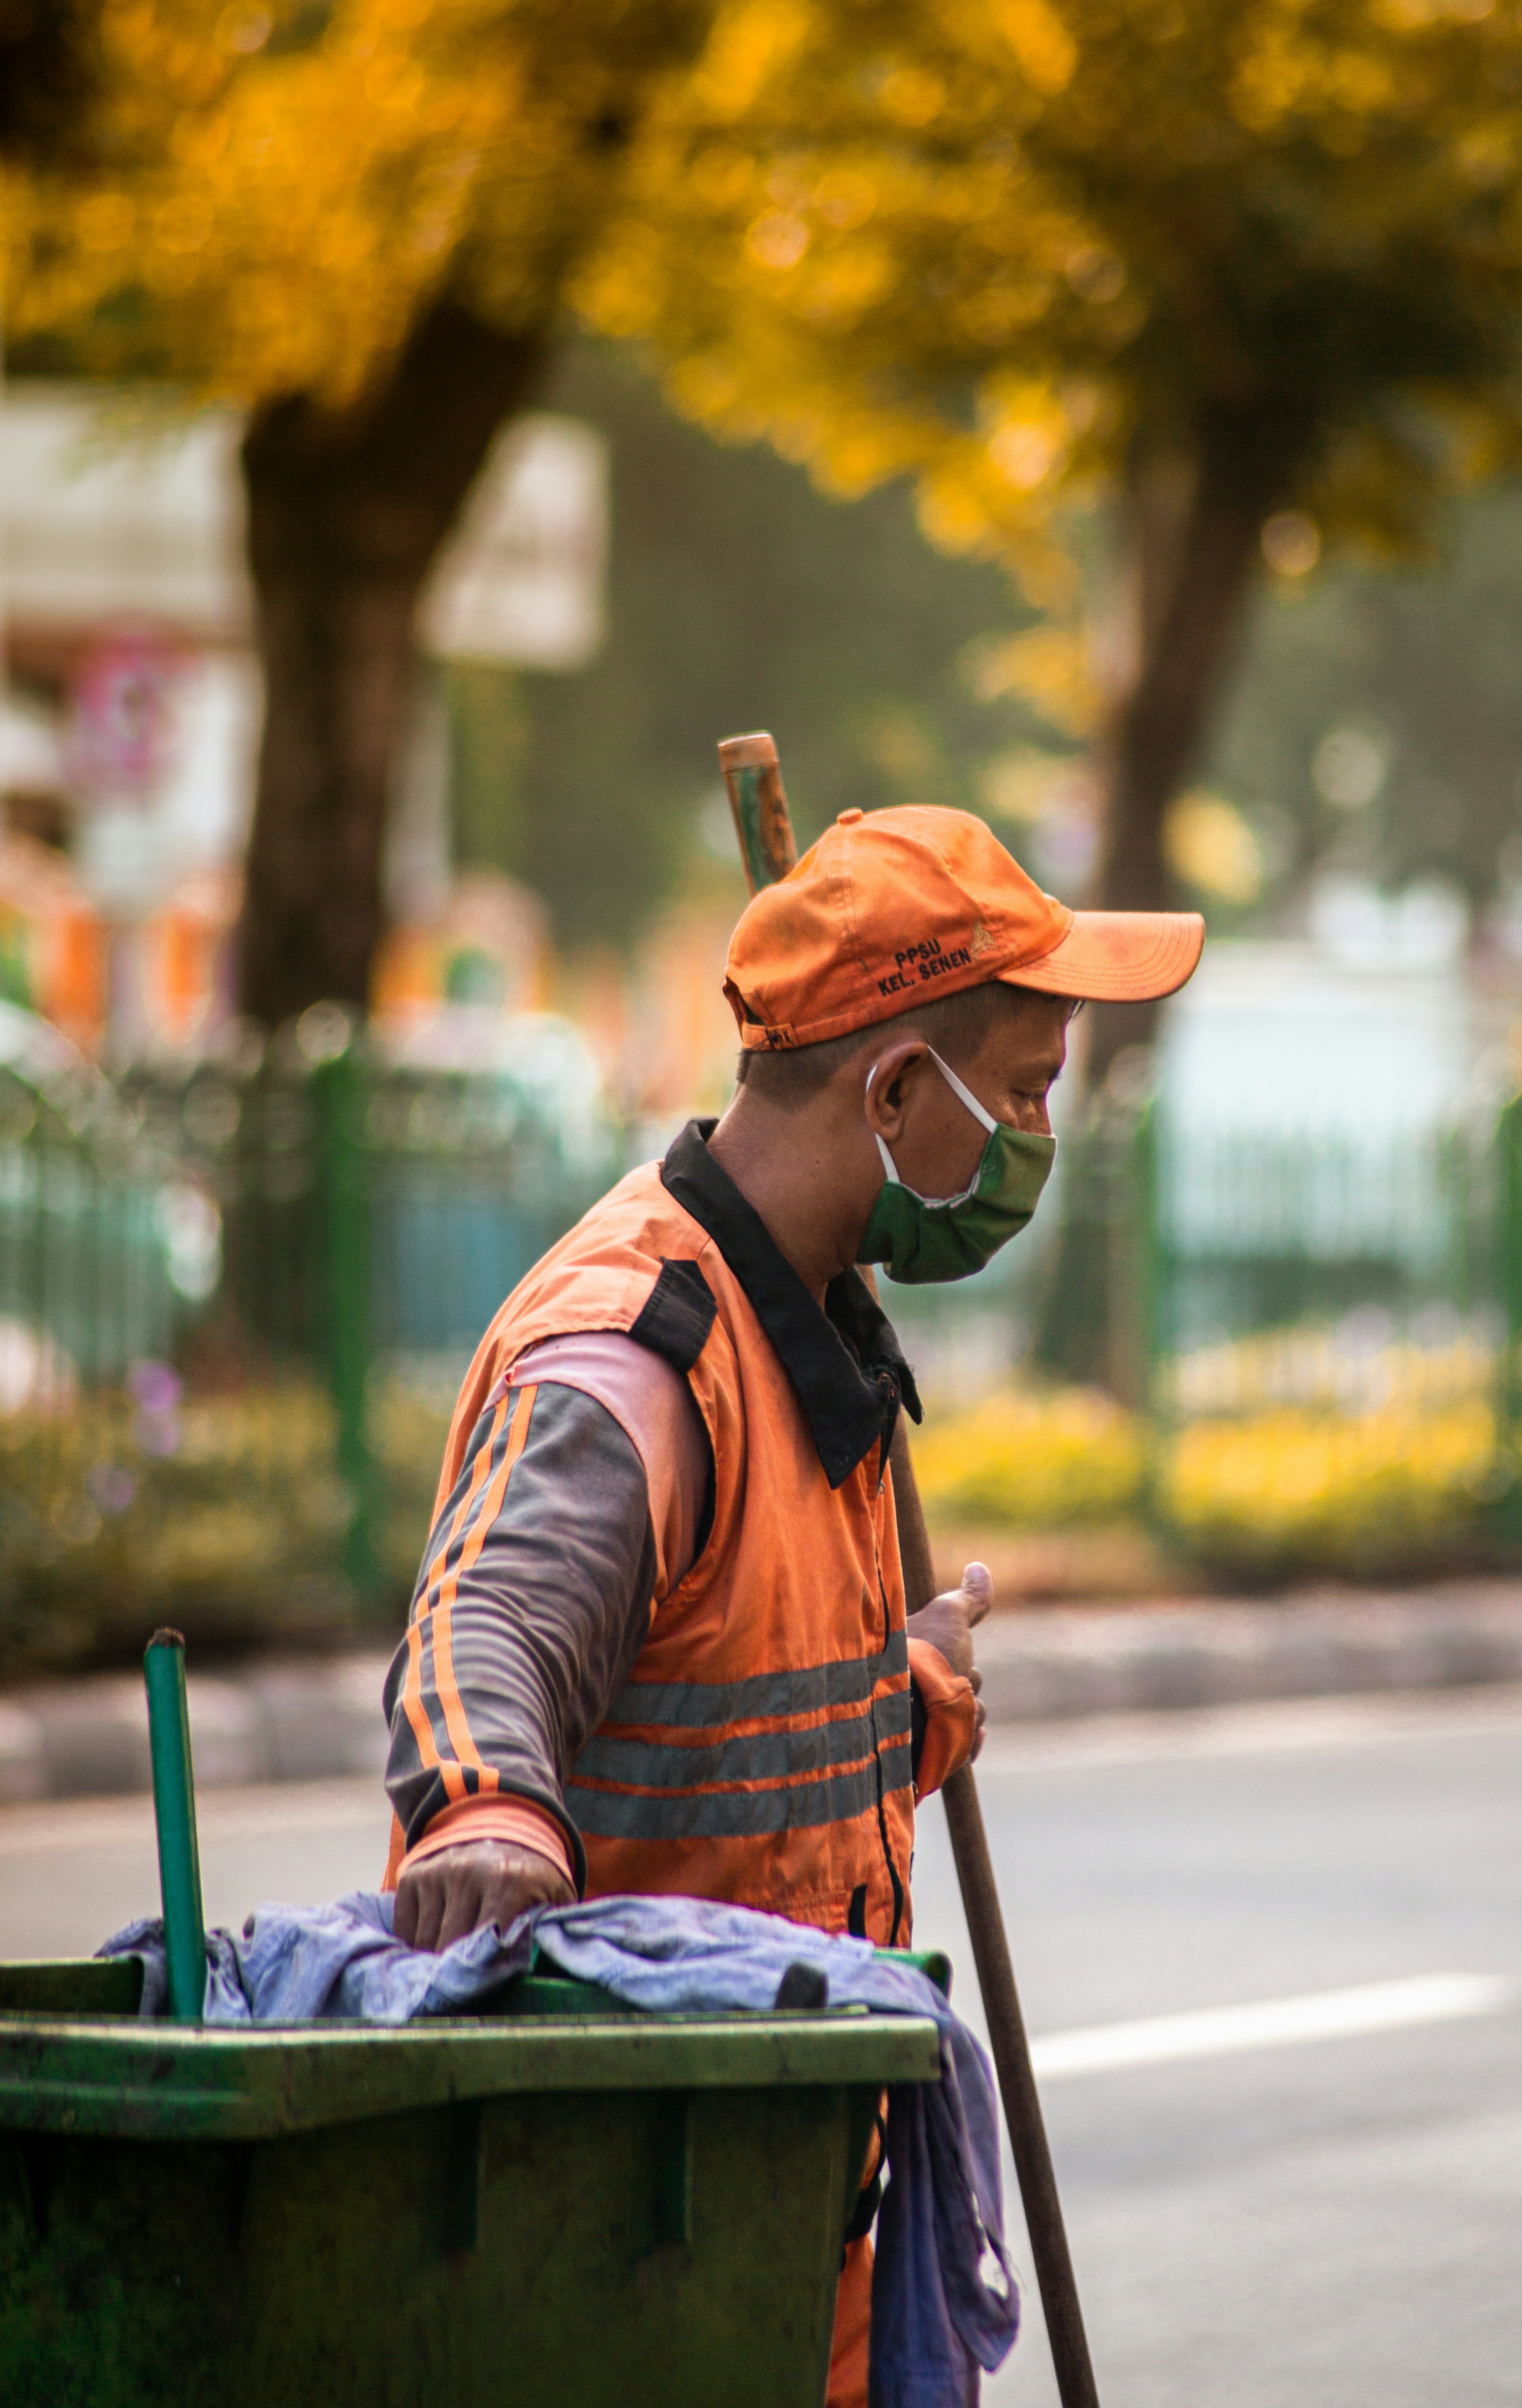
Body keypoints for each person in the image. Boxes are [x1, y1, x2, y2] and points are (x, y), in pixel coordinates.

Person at [379, 802, 1203, 2404]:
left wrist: (906, 1694)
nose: (1040, 1140)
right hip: (613, 2243)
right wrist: (484, 1806)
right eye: (1027, 1095)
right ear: (897, 1092)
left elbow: (727, 1717)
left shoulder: (812, 1329)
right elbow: (495, 1612)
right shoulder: (642, 1342)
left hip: (777, 2220)